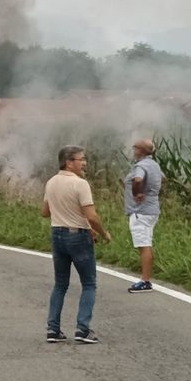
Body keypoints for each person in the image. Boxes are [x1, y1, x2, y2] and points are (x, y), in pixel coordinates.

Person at [42, 145, 112, 344]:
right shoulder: (80, 184)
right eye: (81, 159)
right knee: (89, 284)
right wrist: (104, 233)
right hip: (78, 236)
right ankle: (83, 328)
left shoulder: (51, 182)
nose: (85, 163)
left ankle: (53, 329)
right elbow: (92, 216)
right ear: (68, 162)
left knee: (60, 284)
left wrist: (62, 209)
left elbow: (45, 212)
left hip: (57, 234)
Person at [124, 138, 164, 292]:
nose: (133, 151)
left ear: (141, 150)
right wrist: (152, 193)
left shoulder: (140, 166)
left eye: (135, 148)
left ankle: (145, 281)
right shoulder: (154, 165)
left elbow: (138, 179)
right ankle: (146, 278)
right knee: (147, 243)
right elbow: (163, 179)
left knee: (144, 245)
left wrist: (138, 192)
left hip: (140, 211)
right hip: (152, 209)